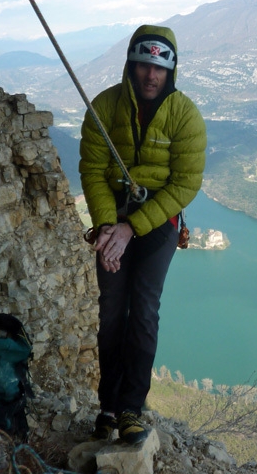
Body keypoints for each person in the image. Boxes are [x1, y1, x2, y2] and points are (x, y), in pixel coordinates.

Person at [79, 24, 206, 444]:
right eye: (144, 65)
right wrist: (104, 227)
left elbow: (185, 183)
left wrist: (132, 227)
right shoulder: (103, 107)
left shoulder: (185, 115)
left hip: (155, 223)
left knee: (144, 309)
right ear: (131, 66)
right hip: (112, 219)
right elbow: (93, 172)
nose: (151, 75)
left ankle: (132, 408)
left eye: (159, 68)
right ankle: (108, 408)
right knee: (113, 310)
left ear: (171, 73)